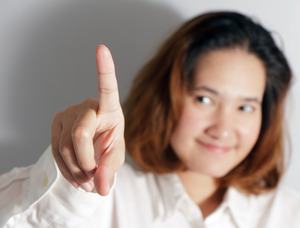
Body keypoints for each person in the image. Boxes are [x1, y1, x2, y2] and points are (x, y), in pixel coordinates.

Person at [1, 11, 300, 228]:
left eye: (246, 107)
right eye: (204, 99)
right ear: (165, 98)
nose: (222, 128)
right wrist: (77, 173)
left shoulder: (289, 215)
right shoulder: (103, 199)